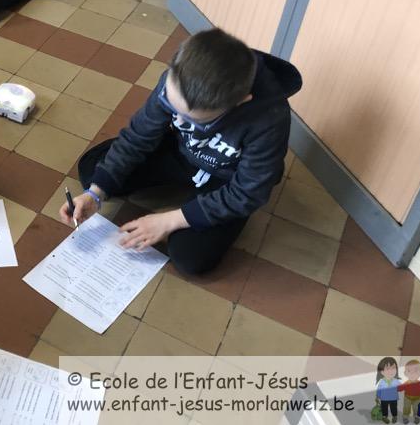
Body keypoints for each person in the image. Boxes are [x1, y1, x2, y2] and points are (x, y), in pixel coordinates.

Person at [60, 28, 302, 275]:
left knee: (190, 257)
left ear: (239, 102)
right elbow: (138, 135)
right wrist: (95, 194)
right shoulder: (177, 80)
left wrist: (170, 220)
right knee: (93, 172)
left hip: (227, 177)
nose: (179, 119)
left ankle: (192, 206)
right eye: (171, 107)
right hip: (181, 151)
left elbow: (248, 193)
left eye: (194, 120)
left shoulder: (269, 118)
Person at [399, 359, 420, 424]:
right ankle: (405, 417)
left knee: (416, 408)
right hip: (407, 398)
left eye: (415, 371)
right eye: (409, 371)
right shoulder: (406, 383)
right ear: (405, 373)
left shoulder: (419, 384)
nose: (412, 373)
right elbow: (400, 388)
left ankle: (416, 417)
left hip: (417, 398)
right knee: (406, 408)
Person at [375, 357, 402, 424]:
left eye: (393, 368)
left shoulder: (396, 381)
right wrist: (377, 397)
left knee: (394, 408)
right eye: (388, 369)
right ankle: (384, 417)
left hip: (393, 398)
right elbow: (379, 390)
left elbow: (401, 387)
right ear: (382, 372)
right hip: (384, 399)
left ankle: (394, 416)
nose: (391, 371)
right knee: (384, 408)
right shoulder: (381, 382)